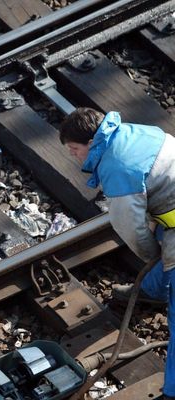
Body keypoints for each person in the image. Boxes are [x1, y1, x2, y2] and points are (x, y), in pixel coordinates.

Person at [60, 108, 175, 400]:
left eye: (74, 150)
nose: (74, 157)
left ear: (90, 143)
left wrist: (154, 256)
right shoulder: (132, 131)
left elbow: (133, 231)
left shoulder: (117, 168)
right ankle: (153, 290)